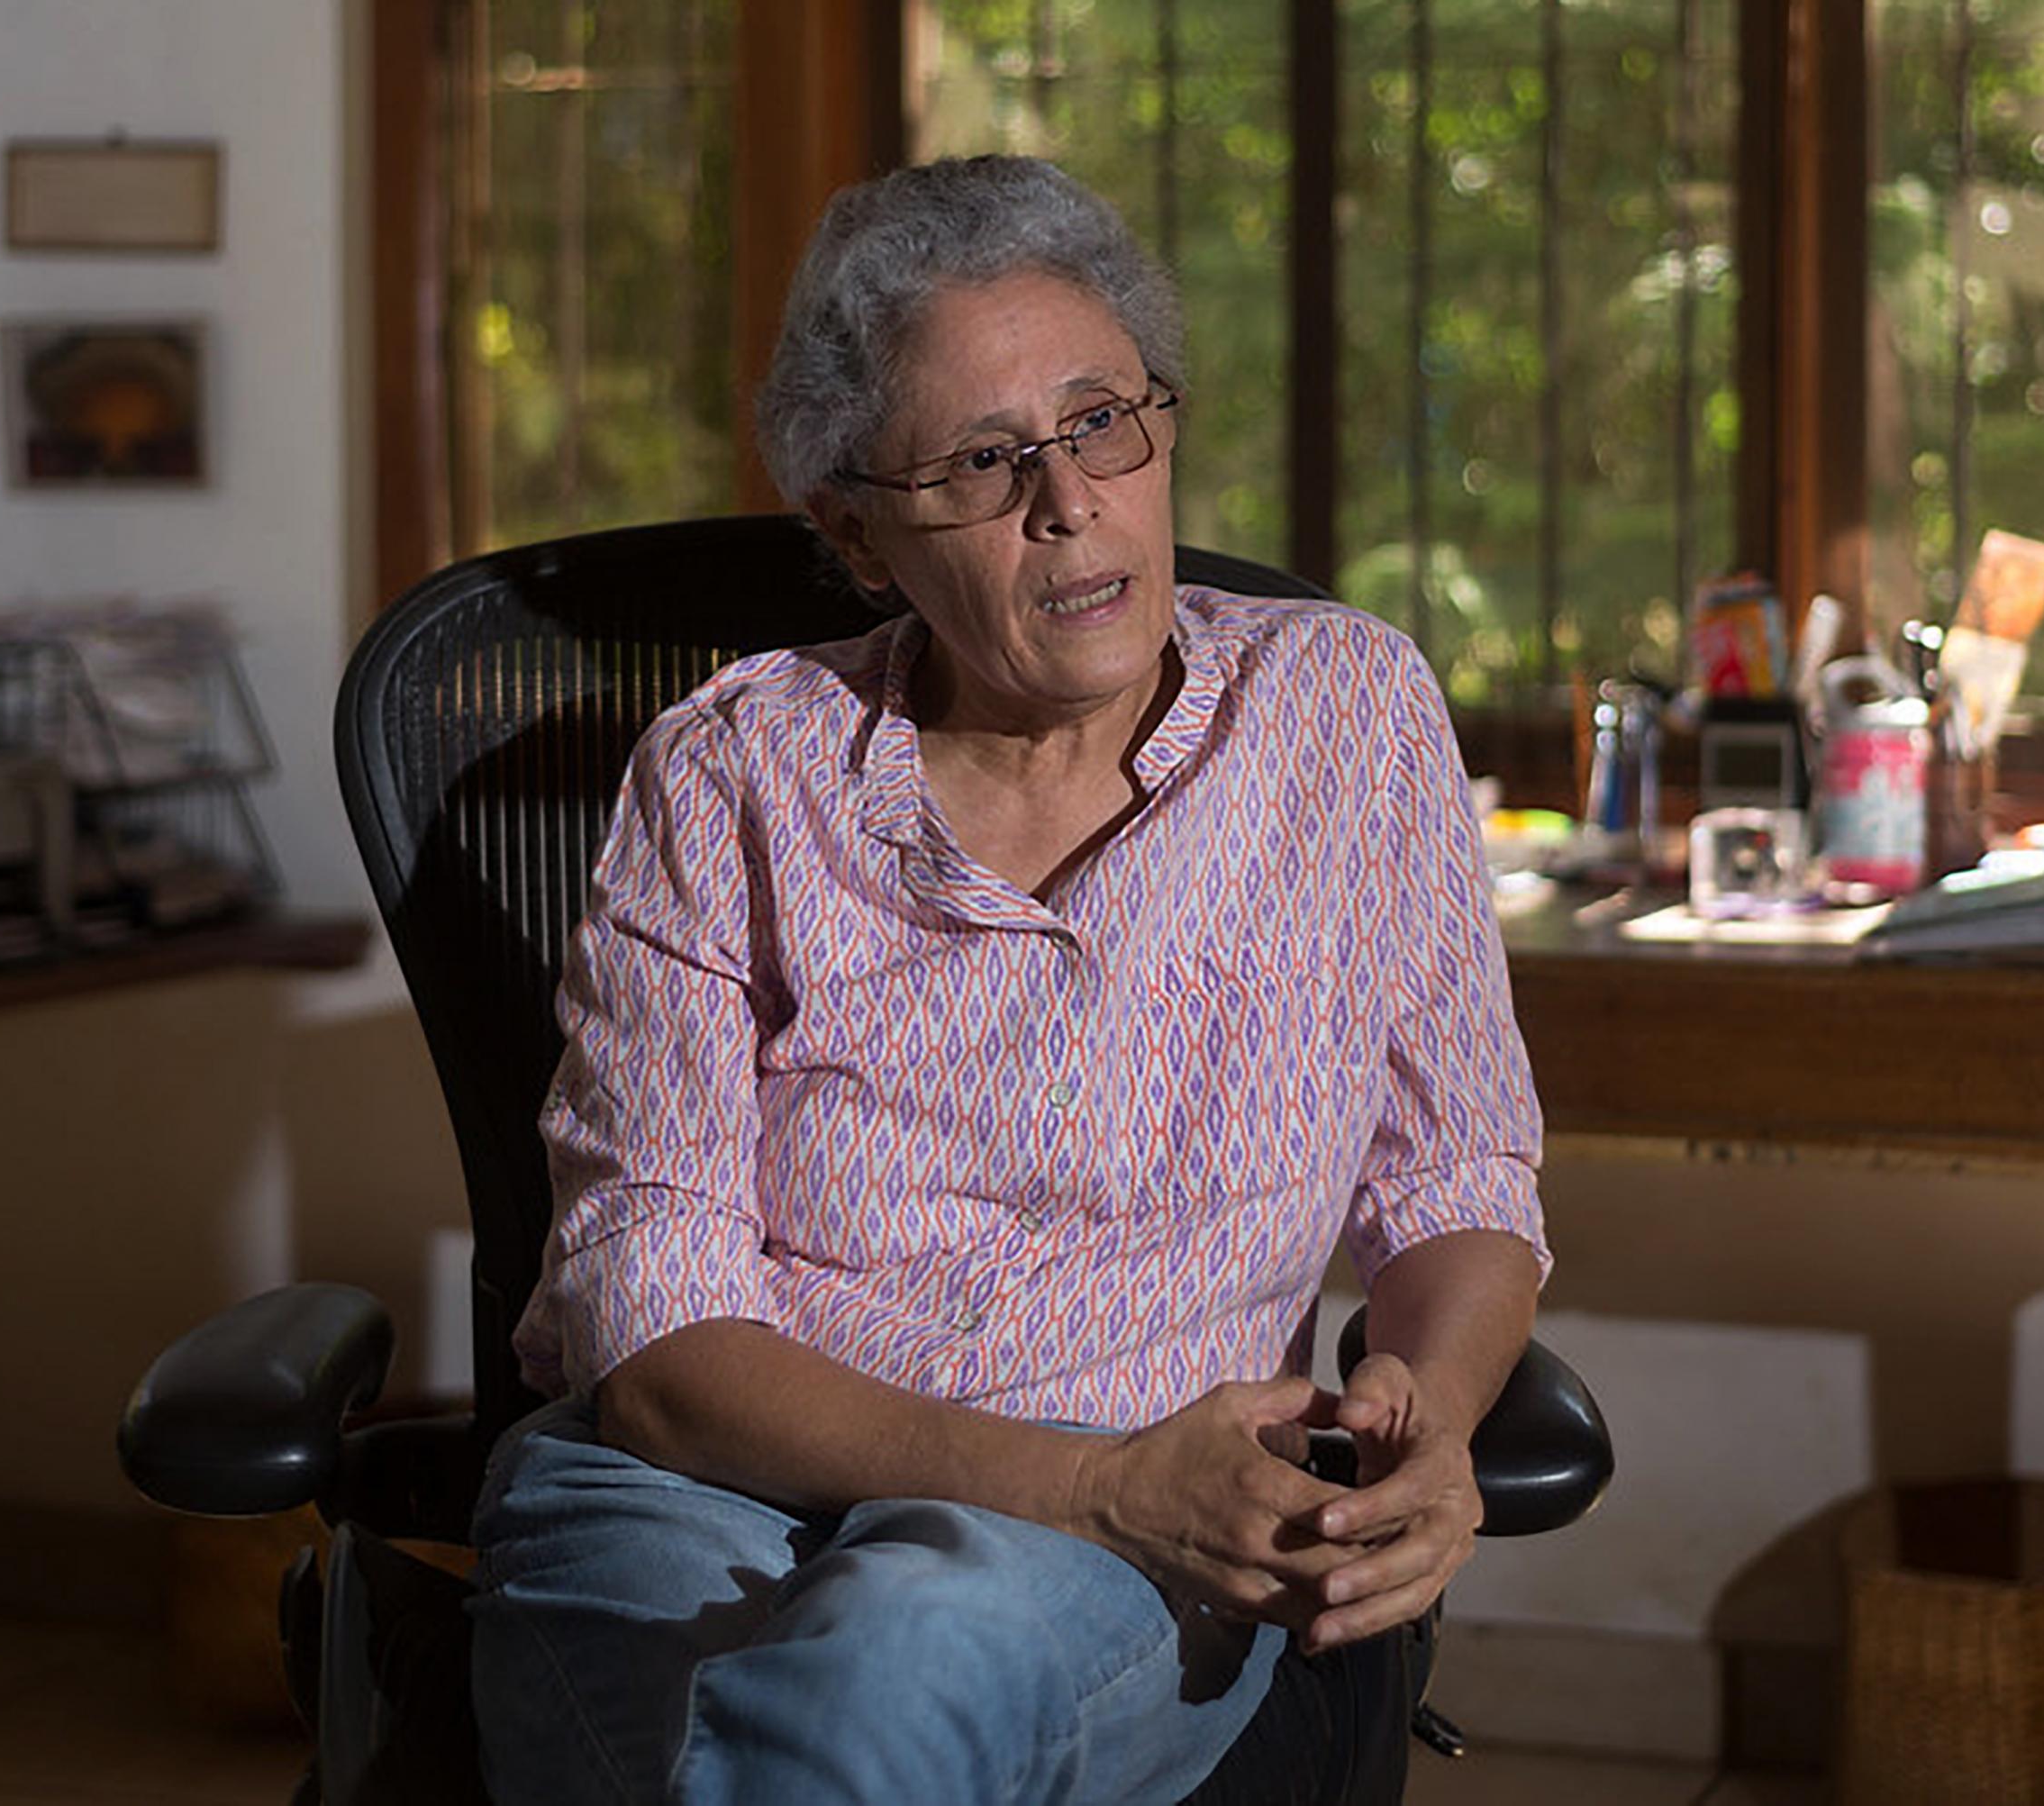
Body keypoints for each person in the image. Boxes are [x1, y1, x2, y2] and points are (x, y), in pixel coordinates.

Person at [467, 154, 1549, 1805]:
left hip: (1131, 1545)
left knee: (893, 1662)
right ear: (858, 533)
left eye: (1101, 418)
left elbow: (1457, 1173)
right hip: (697, 1501)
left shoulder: (1346, 713)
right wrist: (1091, 1478)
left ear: (1163, 426)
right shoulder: (733, 773)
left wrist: (1434, 1410)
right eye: (984, 461)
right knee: (823, 1713)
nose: (1070, 502)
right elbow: (658, 1330)